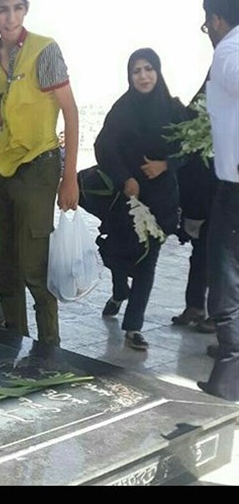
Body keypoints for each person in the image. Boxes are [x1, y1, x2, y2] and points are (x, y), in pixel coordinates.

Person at [0, 0, 80, 347]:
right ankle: (15, 342)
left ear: (26, 9)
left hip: (40, 164)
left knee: (34, 266)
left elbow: (70, 111)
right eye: (2, 10)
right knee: (4, 261)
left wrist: (70, 177)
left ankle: (49, 348)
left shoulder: (45, 50)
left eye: (17, 8)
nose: (11, 17)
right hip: (6, 167)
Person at [92, 48, 189, 351]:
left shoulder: (174, 109)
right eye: (137, 71)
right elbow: (104, 146)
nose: (143, 76)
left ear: (158, 72)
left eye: (149, 69)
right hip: (127, 197)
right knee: (117, 252)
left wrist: (165, 165)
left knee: (148, 260)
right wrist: (125, 178)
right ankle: (119, 290)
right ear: (129, 76)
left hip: (160, 199)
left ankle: (133, 326)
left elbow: (189, 147)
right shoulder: (122, 109)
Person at [198, 0, 239, 403]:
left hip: (236, 187)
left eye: (207, 22)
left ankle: (229, 380)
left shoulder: (228, 50)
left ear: (217, 19)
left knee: (226, 283)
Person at [170, 79, 217, 334]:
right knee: (201, 251)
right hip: (204, 187)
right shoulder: (211, 88)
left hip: (227, 187)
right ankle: (195, 306)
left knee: (223, 256)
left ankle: (220, 316)